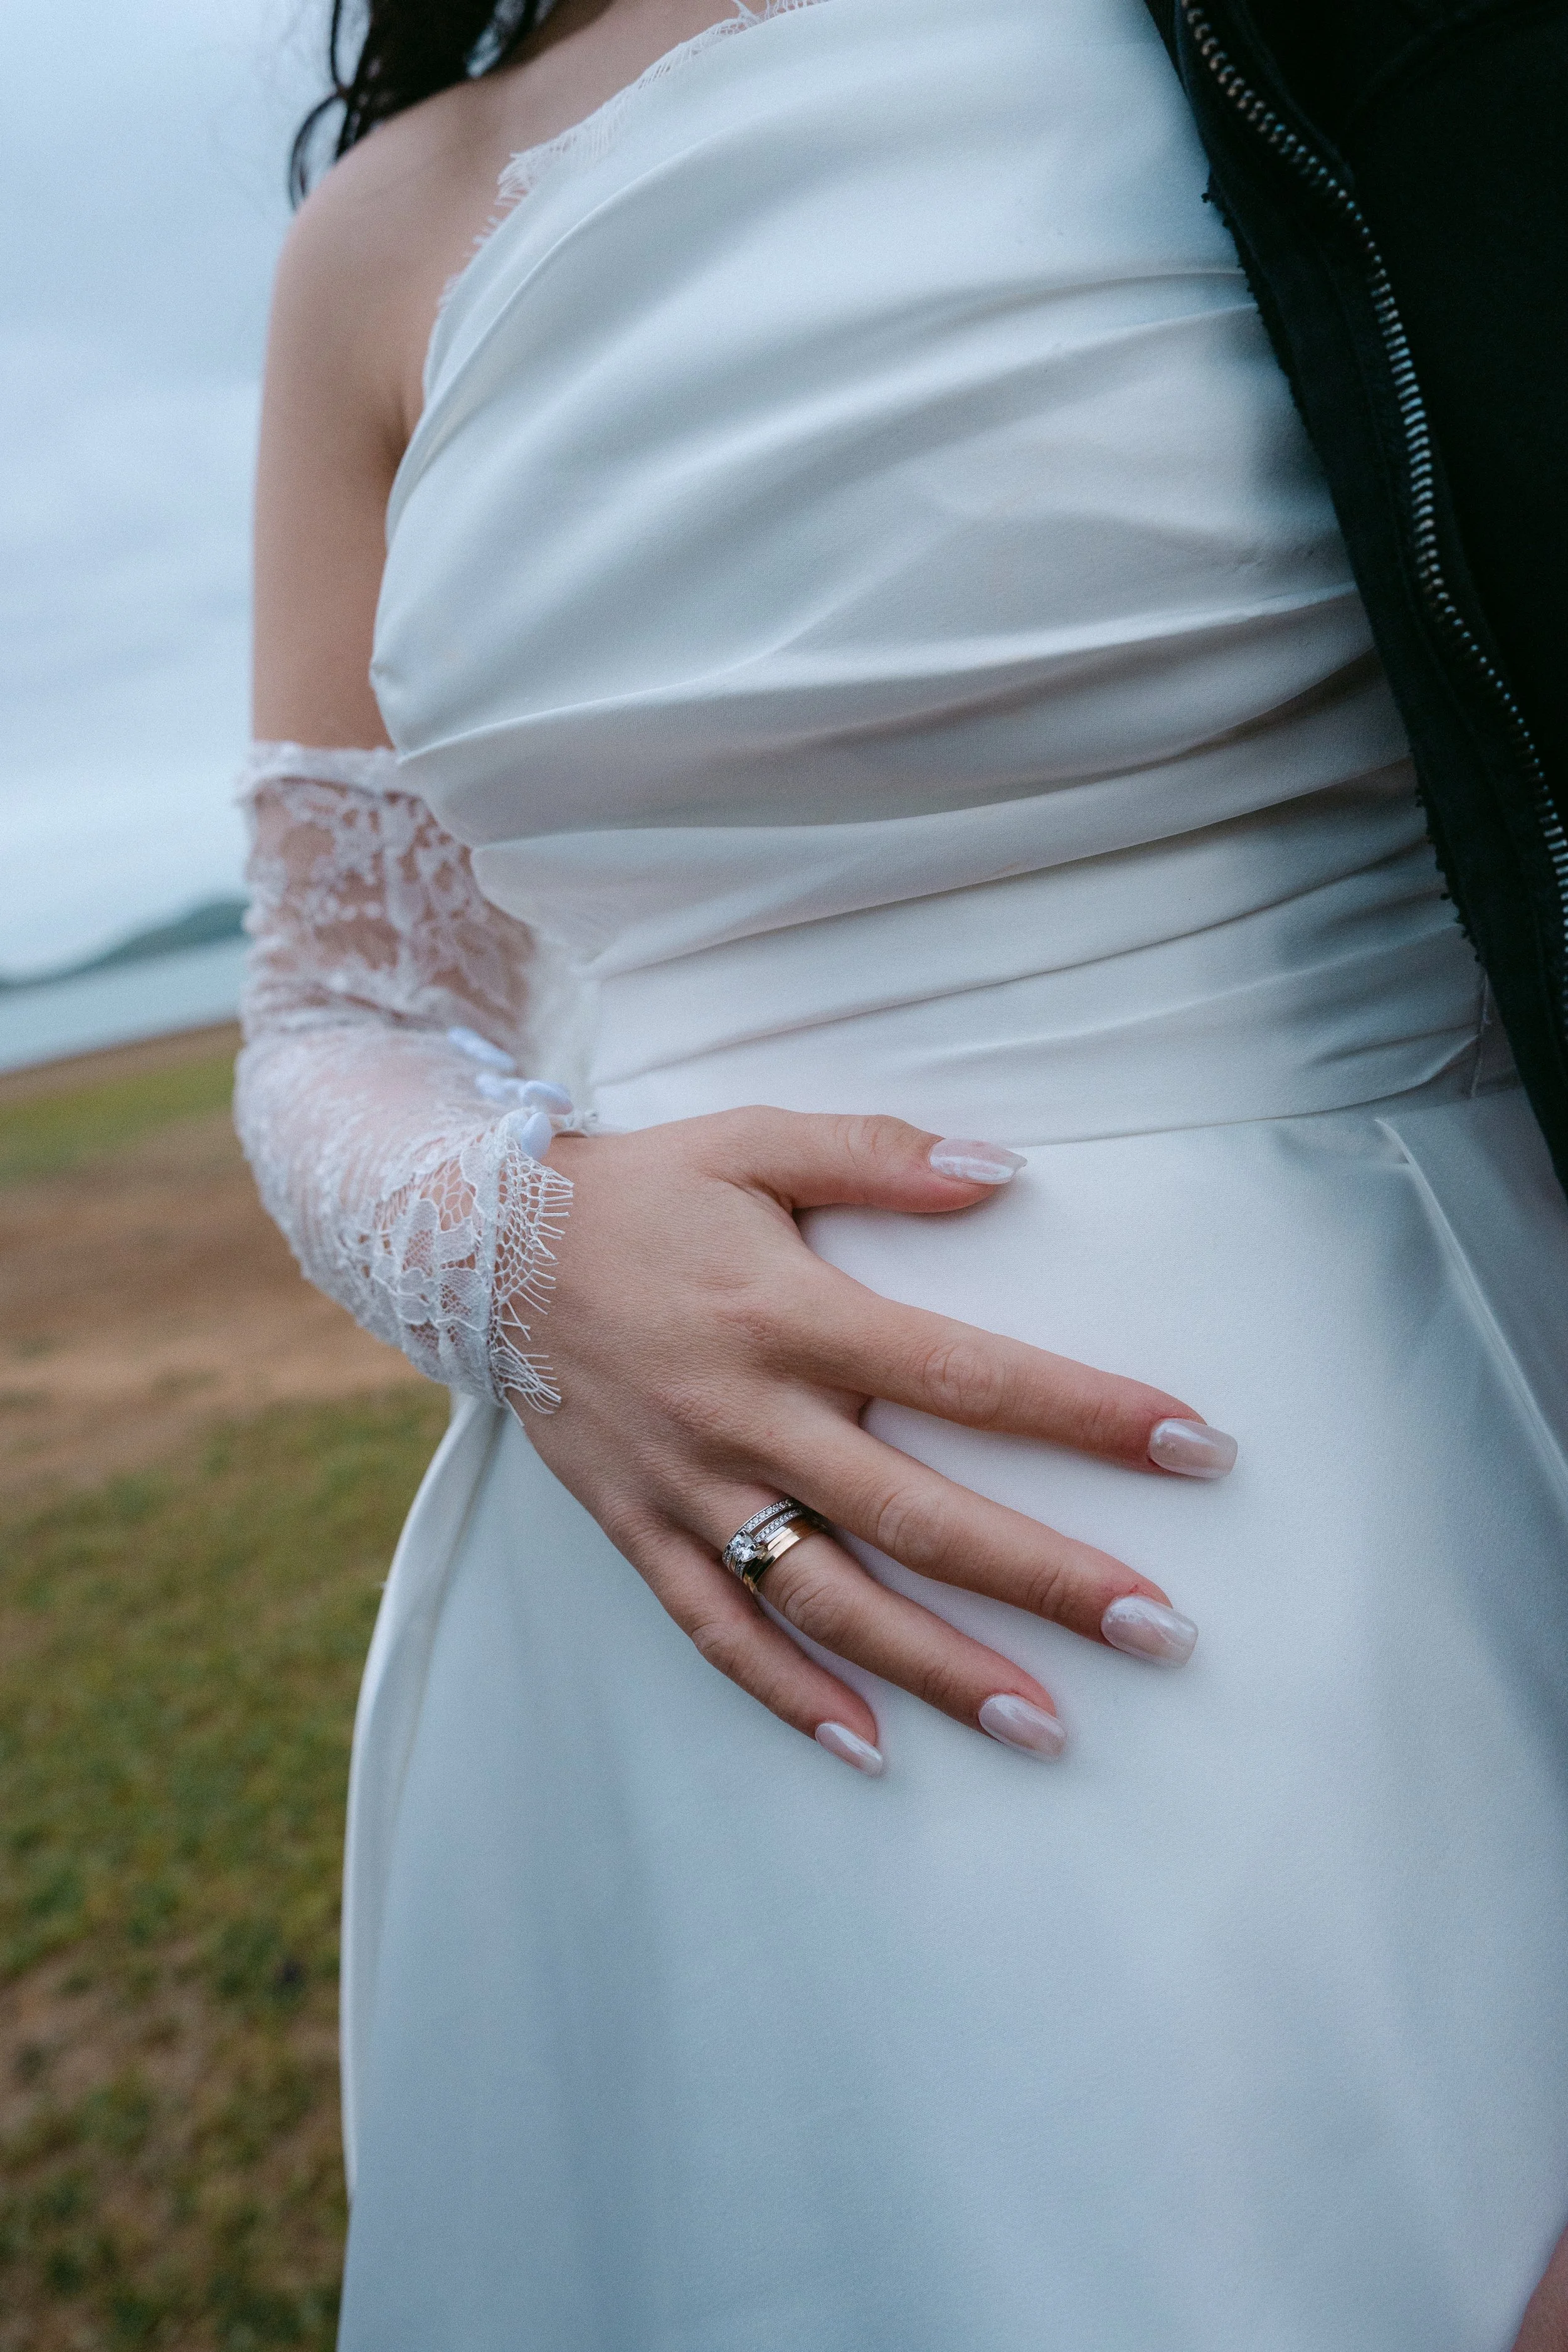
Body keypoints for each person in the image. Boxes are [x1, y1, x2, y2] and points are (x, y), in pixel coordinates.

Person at [236, 0, 1568, 2341]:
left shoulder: (1292, 37)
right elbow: (338, 1006)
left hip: (1400, 1516)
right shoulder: (387, 229)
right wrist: (525, 1255)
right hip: (660, 1660)